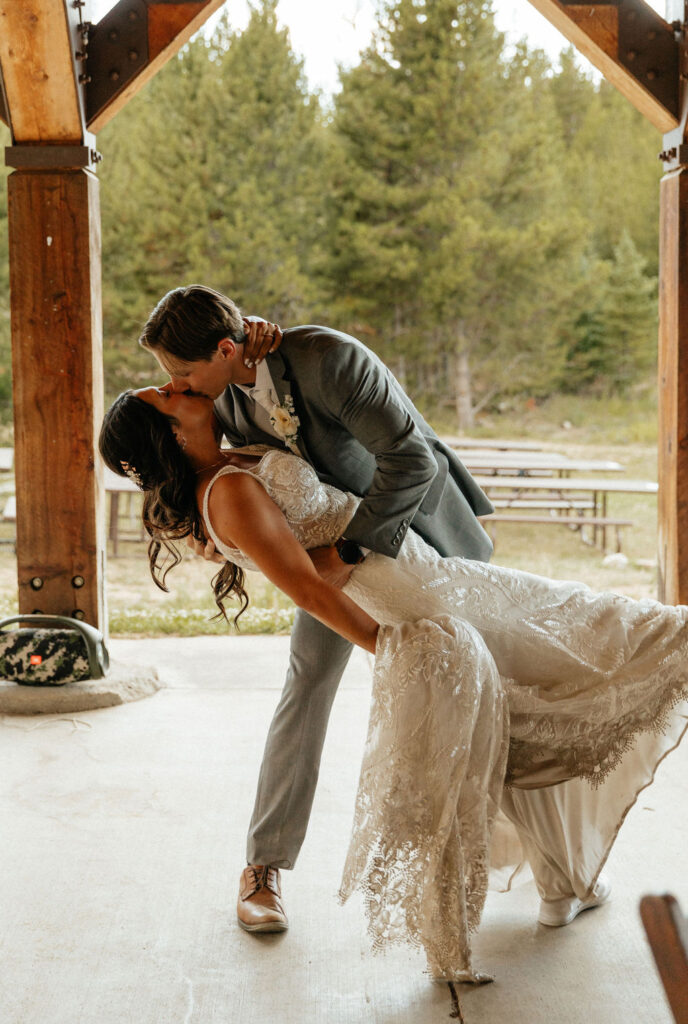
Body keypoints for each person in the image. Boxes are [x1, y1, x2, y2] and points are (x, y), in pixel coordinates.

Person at [100, 382, 688, 983]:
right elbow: (305, 587)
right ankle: (568, 880)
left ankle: (565, 882)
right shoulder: (226, 493)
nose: (176, 385)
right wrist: (388, 647)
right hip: (419, 600)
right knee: (601, 631)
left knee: (531, 701)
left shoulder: (228, 464)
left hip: (434, 574)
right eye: (166, 395)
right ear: (170, 431)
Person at [133, 285, 495, 937]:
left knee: (488, 682)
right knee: (307, 680)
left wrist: (353, 548)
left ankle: (534, 845)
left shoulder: (328, 359)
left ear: (223, 349)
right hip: (329, 560)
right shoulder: (223, 399)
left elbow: (409, 459)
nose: (181, 388)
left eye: (184, 374)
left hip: (410, 541)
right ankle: (263, 869)